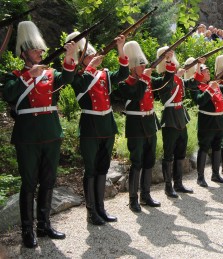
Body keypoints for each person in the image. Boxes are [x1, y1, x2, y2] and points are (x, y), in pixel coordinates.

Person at [3, 21, 76, 248]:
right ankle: (27, 231)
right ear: (24, 53)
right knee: (29, 182)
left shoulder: (50, 73)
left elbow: (68, 78)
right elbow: (8, 94)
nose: (41, 53)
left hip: (51, 132)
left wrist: (70, 55)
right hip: (28, 135)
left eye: (41, 49)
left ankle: (44, 225)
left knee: (48, 180)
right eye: (36, 49)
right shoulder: (14, 75)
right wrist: (28, 76)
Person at [67, 32, 129, 224]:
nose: (93, 59)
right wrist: (90, 68)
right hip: (90, 126)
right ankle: (91, 211)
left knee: (103, 168)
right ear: (81, 60)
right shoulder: (78, 77)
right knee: (91, 169)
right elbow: (80, 87)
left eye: (93, 56)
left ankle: (101, 208)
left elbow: (123, 74)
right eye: (88, 56)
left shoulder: (103, 74)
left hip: (106, 125)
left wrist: (120, 47)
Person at [118, 41, 171, 212]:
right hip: (135, 125)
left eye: (144, 64)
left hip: (149, 123)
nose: (144, 66)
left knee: (149, 161)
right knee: (137, 162)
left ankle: (146, 195)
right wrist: (145, 78)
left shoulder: (146, 79)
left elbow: (167, 81)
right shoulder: (125, 82)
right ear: (132, 67)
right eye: (140, 64)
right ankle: (133, 199)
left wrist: (168, 62)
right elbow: (136, 94)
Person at [156, 50, 201, 198]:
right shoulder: (164, 79)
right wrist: (176, 76)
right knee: (169, 154)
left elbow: (194, 83)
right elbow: (168, 87)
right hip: (170, 117)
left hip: (181, 116)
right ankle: (168, 187)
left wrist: (198, 66)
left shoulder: (177, 79)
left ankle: (178, 183)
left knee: (180, 152)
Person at [193, 62, 223, 187]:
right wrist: (210, 89)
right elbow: (200, 101)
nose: (208, 73)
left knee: (217, 147)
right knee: (204, 148)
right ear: (200, 74)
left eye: (208, 72)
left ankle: (215, 174)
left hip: (218, 120)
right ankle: (200, 177)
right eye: (206, 72)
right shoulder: (196, 87)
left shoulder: (213, 85)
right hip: (207, 122)